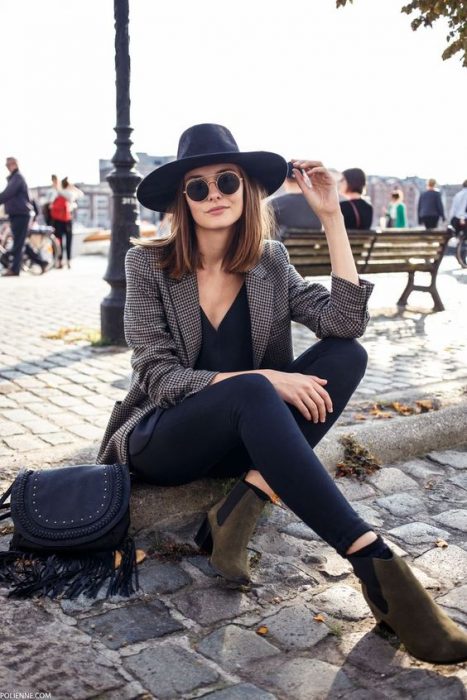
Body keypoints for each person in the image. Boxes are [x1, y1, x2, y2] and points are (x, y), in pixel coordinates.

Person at [97, 123, 467, 665]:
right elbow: (159, 377)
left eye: (226, 180)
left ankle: (242, 503)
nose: (214, 194)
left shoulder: (269, 260)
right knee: (256, 391)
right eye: (197, 187)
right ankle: (374, 561)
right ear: (183, 200)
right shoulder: (148, 263)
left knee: (348, 355)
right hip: (164, 437)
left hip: (248, 431)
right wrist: (266, 379)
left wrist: (333, 218)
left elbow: (343, 323)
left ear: (247, 189)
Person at [0, 157, 47, 276]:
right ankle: (41, 262)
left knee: (18, 243)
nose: (7, 167)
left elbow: (7, 193)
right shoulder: (15, 178)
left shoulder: (17, 178)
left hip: (21, 215)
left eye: (8, 164)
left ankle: (15, 269)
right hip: (18, 214)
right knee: (20, 242)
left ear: (15, 164)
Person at [270, 165, 321, 238]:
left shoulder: (274, 204)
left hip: (284, 248)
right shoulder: (320, 204)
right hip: (318, 248)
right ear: (303, 178)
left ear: (284, 180)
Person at [50, 176, 83, 268]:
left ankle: (60, 261)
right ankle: (65, 261)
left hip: (62, 219)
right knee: (63, 241)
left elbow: (80, 194)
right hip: (64, 220)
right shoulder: (67, 193)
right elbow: (78, 195)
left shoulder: (59, 192)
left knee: (60, 241)